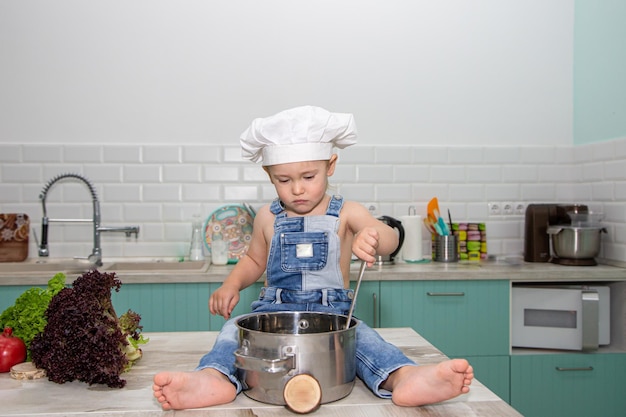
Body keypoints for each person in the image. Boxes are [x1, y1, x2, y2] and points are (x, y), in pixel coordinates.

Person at [153, 106, 474, 410]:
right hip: (272, 317)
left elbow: (390, 241)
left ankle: (405, 377)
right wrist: (231, 284)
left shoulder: (347, 212)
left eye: (308, 177)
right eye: (284, 180)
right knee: (232, 334)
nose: (297, 190)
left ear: (330, 166)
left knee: (364, 341)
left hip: (332, 317)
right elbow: (253, 260)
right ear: (269, 175)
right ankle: (213, 378)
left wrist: (372, 237)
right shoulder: (267, 216)